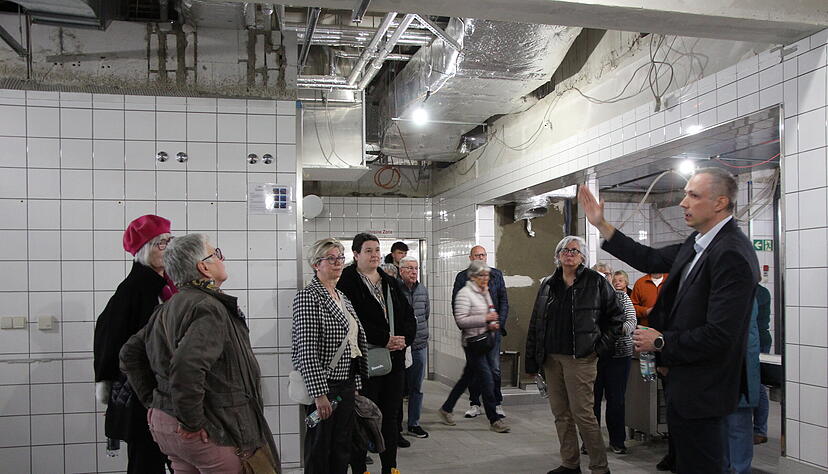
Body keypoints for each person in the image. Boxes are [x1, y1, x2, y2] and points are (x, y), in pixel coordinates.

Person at [579, 167, 759, 474]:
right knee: (687, 461)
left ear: (719, 202)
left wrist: (661, 341)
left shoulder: (731, 254)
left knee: (703, 464)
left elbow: (721, 335)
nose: (683, 203)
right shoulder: (699, 243)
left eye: (693, 195)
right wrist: (601, 224)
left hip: (706, 387)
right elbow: (649, 259)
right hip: (684, 379)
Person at [120, 234, 280, 474]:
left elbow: (129, 354)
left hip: (169, 430)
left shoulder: (167, 308)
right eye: (215, 253)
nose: (221, 258)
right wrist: (191, 420)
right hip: (213, 429)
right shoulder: (209, 308)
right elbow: (187, 366)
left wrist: (156, 402)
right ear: (203, 267)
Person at [525, 237, 624, 474]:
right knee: (561, 414)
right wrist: (532, 360)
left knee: (583, 415)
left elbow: (616, 319)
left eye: (574, 251)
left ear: (582, 257)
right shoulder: (548, 284)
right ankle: (570, 463)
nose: (569, 254)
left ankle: (600, 467)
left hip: (581, 359)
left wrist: (597, 349)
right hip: (552, 359)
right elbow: (536, 323)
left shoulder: (596, 282)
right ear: (558, 255)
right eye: (564, 250)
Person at [93, 214, 175, 474]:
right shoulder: (133, 290)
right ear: (144, 250)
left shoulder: (167, 286)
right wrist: (105, 379)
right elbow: (109, 338)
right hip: (142, 391)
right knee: (146, 460)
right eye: (161, 243)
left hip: (164, 390)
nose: (168, 249)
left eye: (169, 241)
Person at [337, 233, 416, 474]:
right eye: (369, 250)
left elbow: (406, 315)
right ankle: (360, 468)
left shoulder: (388, 281)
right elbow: (352, 320)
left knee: (391, 417)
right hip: (364, 362)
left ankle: (390, 467)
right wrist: (385, 339)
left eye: (377, 250)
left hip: (394, 360)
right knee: (363, 416)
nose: (374, 255)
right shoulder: (346, 282)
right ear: (356, 254)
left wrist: (404, 339)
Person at [292, 238, 368, 474]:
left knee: (341, 446)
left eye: (340, 258)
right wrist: (319, 395)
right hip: (325, 387)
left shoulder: (341, 297)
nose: (337, 263)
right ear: (316, 264)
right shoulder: (308, 297)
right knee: (319, 447)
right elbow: (306, 349)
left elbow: (353, 345)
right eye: (331, 258)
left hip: (345, 384)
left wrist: (354, 384)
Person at [439, 260, 511, 433]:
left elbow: (492, 309)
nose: (486, 278)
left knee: (467, 378)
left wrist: (494, 323)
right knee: (486, 379)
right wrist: (485, 319)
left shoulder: (484, 291)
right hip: (473, 342)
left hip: (487, 339)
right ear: (472, 277)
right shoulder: (465, 294)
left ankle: (446, 408)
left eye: (487, 275)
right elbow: (461, 320)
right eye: (482, 275)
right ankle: (494, 419)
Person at [451, 245, 509, 418]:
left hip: (493, 332)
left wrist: (500, 323)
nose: (480, 258)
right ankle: (475, 403)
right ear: (470, 258)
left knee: (495, 368)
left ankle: (496, 403)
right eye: (477, 255)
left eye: (483, 255)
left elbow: (504, 301)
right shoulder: (462, 277)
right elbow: (456, 304)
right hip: (473, 333)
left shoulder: (496, 275)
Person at [586, 264, 637, 455]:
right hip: (593, 356)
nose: (603, 277)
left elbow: (631, 322)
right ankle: (590, 442)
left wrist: (612, 330)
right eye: (598, 274)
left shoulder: (621, 297)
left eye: (605, 274)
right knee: (592, 402)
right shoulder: (587, 299)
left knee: (616, 400)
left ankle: (617, 441)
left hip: (619, 356)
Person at [725, 298, 761, 474]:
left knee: (737, 425)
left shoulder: (743, 293)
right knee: (723, 428)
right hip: (723, 372)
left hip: (739, 367)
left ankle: (739, 469)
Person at [398, 256, 430, 439]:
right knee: (398, 389)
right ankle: (396, 427)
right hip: (400, 347)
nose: (413, 271)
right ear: (401, 270)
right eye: (409, 268)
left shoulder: (422, 290)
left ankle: (414, 424)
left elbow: (426, 314)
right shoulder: (394, 289)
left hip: (419, 345)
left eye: (416, 268)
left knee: (416, 388)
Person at [753, 283, 772, 445]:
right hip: (751, 342)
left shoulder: (760, 292)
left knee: (757, 385)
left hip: (758, 342)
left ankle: (760, 430)